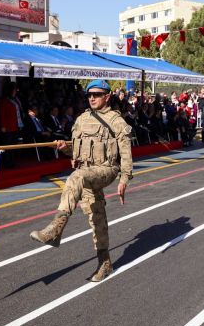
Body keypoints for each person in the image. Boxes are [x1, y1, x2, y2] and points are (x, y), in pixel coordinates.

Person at [30, 79, 133, 282]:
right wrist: (63, 147)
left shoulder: (115, 120)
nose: (92, 98)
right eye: (89, 95)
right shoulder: (81, 119)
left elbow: (126, 152)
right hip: (86, 171)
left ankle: (56, 229)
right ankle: (105, 263)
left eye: (97, 94)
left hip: (105, 169)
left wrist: (124, 179)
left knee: (75, 176)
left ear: (107, 96)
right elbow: (76, 151)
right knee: (97, 219)